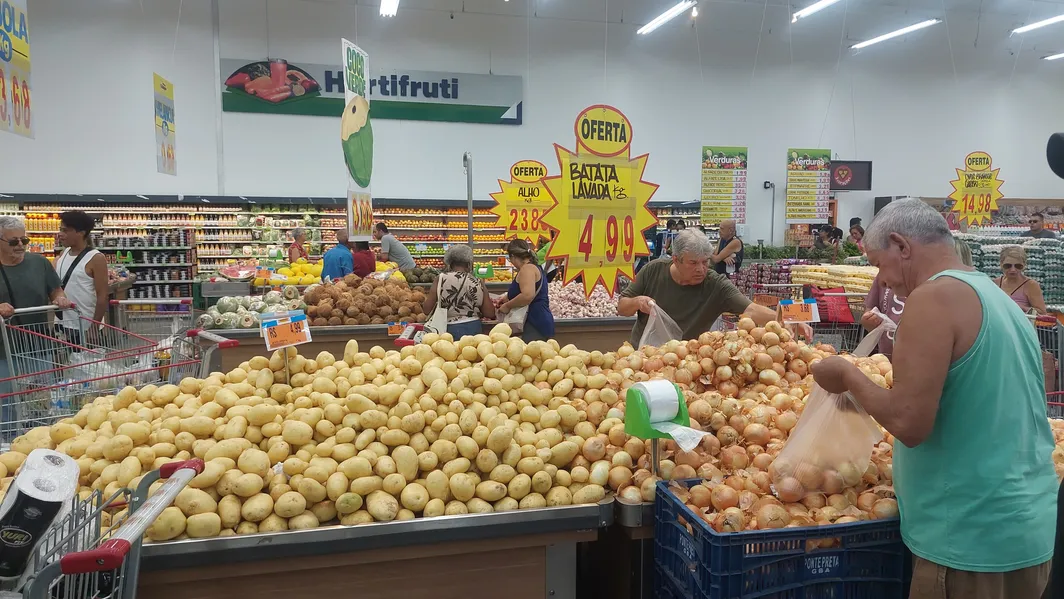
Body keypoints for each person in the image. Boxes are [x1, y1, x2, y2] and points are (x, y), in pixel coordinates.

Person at [810, 199, 1055, 599]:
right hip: (1025, 525)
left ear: (901, 246)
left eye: (878, 264)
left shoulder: (932, 299)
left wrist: (847, 374)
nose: (882, 280)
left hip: (967, 538)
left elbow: (909, 423)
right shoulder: (996, 299)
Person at [619, 230, 813, 346]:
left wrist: (793, 317)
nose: (701, 269)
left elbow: (751, 309)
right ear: (676, 260)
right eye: (693, 263)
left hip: (689, 361)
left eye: (705, 262)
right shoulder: (653, 271)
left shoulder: (715, 284)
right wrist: (637, 302)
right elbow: (622, 308)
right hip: (644, 356)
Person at [0, 217, 73, 441]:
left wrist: (60, 298)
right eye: (14, 241)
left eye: (24, 239)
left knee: (40, 399)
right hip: (4, 349)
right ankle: (9, 443)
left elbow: (55, 290)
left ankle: (42, 439)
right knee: (7, 401)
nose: (21, 245)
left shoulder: (39, 263)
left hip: (38, 343)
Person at [861, 237, 974, 359]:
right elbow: (869, 310)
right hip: (887, 357)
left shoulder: (946, 295)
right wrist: (870, 321)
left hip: (916, 361)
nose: (883, 280)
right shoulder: (887, 278)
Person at [54, 211, 108, 346]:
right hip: (61, 323)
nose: (60, 234)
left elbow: (102, 297)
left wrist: (94, 328)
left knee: (86, 366)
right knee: (61, 364)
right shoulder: (63, 253)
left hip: (84, 326)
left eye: (65, 230)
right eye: (61, 229)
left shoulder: (96, 258)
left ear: (81, 232)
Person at [422, 245, 495, 339]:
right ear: (469, 263)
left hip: (447, 329)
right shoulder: (477, 281)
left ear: (450, 263)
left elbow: (427, 310)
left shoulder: (441, 278)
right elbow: (489, 313)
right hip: (472, 328)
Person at [498, 239, 554, 342]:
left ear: (513, 256)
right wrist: (508, 297)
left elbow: (527, 295)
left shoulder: (526, 269)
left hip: (533, 322)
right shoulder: (534, 267)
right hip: (539, 319)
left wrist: (507, 305)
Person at [995, 246, 1046, 315]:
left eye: (1018, 266)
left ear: (1024, 265)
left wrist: (1022, 308)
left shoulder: (1030, 285)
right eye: (1008, 266)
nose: (1013, 270)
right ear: (1001, 264)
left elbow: (1042, 313)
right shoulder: (995, 283)